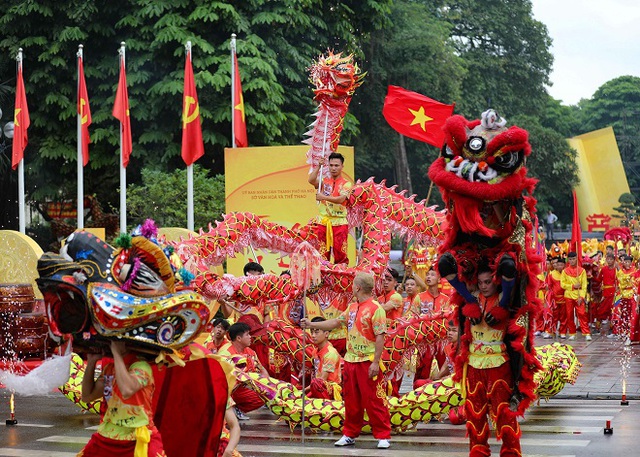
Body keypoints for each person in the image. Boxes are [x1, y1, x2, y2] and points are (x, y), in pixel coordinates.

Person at [439, 254, 522, 457]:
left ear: (496, 281)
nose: (484, 286)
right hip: (473, 366)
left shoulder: (508, 300)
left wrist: (503, 308)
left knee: (504, 415)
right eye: (480, 283)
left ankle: (511, 453)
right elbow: (446, 268)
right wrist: (469, 304)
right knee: (475, 416)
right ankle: (478, 452)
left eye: (488, 282)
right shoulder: (471, 299)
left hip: (499, 366)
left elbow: (511, 270)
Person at [300, 272, 391, 449]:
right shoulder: (352, 307)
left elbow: (381, 336)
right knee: (351, 401)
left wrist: (375, 362)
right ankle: (349, 433)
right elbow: (335, 323)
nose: (351, 288)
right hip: (350, 361)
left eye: (353, 285)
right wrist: (312, 325)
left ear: (357, 287)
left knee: (374, 400)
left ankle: (383, 435)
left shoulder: (375, 308)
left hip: (368, 361)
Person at [78, 340, 166, 457]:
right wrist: (91, 362)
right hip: (107, 436)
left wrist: (117, 354)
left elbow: (127, 390)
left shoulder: (142, 366)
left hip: (136, 438)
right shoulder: (110, 368)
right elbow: (87, 397)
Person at [308, 152, 353, 264]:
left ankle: (340, 277)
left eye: (336, 165)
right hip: (324, 221)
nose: (333, 168)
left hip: (339, 222)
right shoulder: (324, 182)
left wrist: (323, 197)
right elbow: (311, 180)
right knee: (322, 253)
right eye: (331, 165)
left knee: (340, 253)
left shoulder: (346, 184)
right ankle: (323, 278)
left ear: (342, 166)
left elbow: (341, 199)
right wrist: (319, 166)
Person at [218, 322, 269, 420]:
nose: (250, 337)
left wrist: (267, 384)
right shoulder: (226, 353)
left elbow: (262, 370)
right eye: (247, 334)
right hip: (228, 390)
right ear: (238, 338)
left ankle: (237, 409)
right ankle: (227, 410)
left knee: (267, 394)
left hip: (243, 388)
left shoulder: (250, 352)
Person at [307, 316, 343, 400]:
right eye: (311, 332)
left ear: (326, 334)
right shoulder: (315, 351)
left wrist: (303, 393)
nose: (313, 335)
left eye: (316, 332)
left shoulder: (330, 353)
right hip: (318, 385)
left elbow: (322, 380)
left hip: (330, 388)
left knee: (317, 383)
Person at [561, 252, 591, 341]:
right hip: (569, 295)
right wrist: (573, 286)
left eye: (573, 259)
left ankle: (586, 333)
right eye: (570, 259)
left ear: (576, 259)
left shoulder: (582, 271)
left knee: (582, 314)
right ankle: (572, 333)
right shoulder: (564, 271)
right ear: (568, 260)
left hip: (578, 295)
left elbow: (584, 285)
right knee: (569, 315)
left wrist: (581, 297)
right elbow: (562, 284)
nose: (572, 261)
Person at [546, 257, 567, 338]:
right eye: (558, 265)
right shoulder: (551, 274)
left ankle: (563, 332)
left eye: (561, 265)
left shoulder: (566, 273)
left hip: (564, 298)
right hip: (554, 299)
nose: (559, 266)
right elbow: (549, 287)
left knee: (563, 317)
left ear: (564, 265)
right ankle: (552, 331)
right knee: (554, 316)